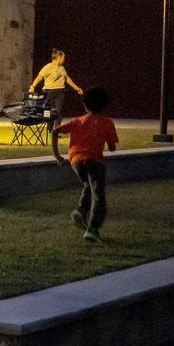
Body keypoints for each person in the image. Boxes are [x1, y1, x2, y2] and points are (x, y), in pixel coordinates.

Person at [52, 85, 118, 244]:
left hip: (76, 161)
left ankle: (81, 210)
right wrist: (108, 144)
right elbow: (112, 148)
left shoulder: (77, 121)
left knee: (87, 186)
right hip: (95, 161)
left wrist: (58, 156)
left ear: (85, 104)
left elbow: (54, 132)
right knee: (98, 196)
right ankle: (93, 229)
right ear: (104, 104)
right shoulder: (107, 123)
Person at [31, 49, 84, 127]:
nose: (64, 59)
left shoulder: (61, 67)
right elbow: (39, 77)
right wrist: (32, 86)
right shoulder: (48, 67)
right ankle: (49, 129)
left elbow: (66, 78)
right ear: (59, 58)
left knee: (58, 111)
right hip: (49, 91)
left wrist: (76, 88)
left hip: (60, 91)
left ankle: (57, 129)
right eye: (63, 57)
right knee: (49, 111)